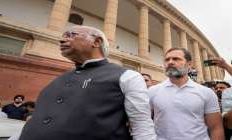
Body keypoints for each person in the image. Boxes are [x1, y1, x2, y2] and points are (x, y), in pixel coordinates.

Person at [19, 25, 156, 140]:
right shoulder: (58, 79)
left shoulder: (127, 77)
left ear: (96, 42)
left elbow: (141, 126)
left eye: (71, 35)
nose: (61, 40)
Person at [148, 48, 224, 140]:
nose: (170, 62)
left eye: (176, 59)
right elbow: (141, 122)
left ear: (189, 65)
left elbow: (216, 128)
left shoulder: (206, 93)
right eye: (167, 59)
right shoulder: (152, 91)